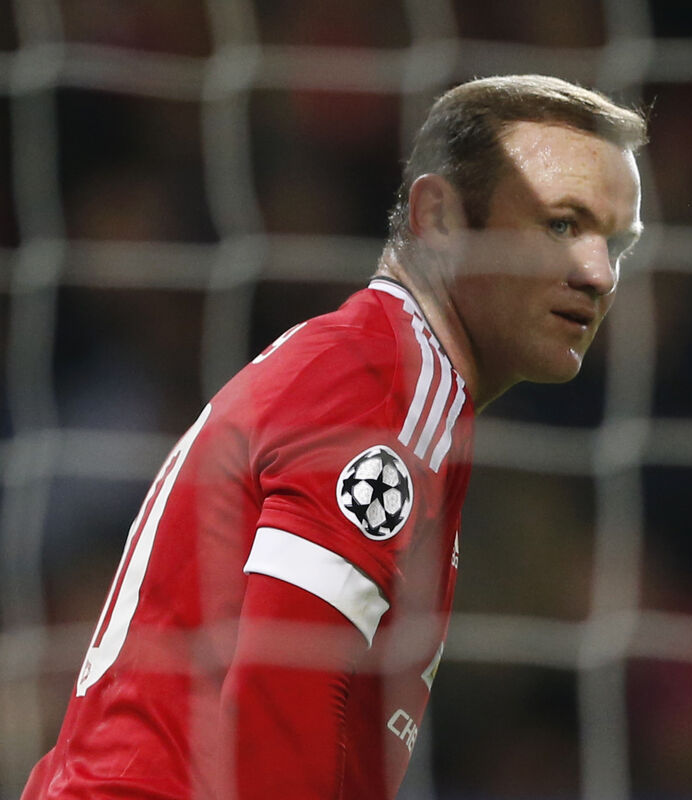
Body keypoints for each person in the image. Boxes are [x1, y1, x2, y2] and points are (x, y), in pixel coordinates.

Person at [23, 74, 646, 799]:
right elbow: (280, 704)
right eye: (562, 225)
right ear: (440, 217)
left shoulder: (385, 371)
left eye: (616, 243)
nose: (598, 274)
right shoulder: (382, 381)